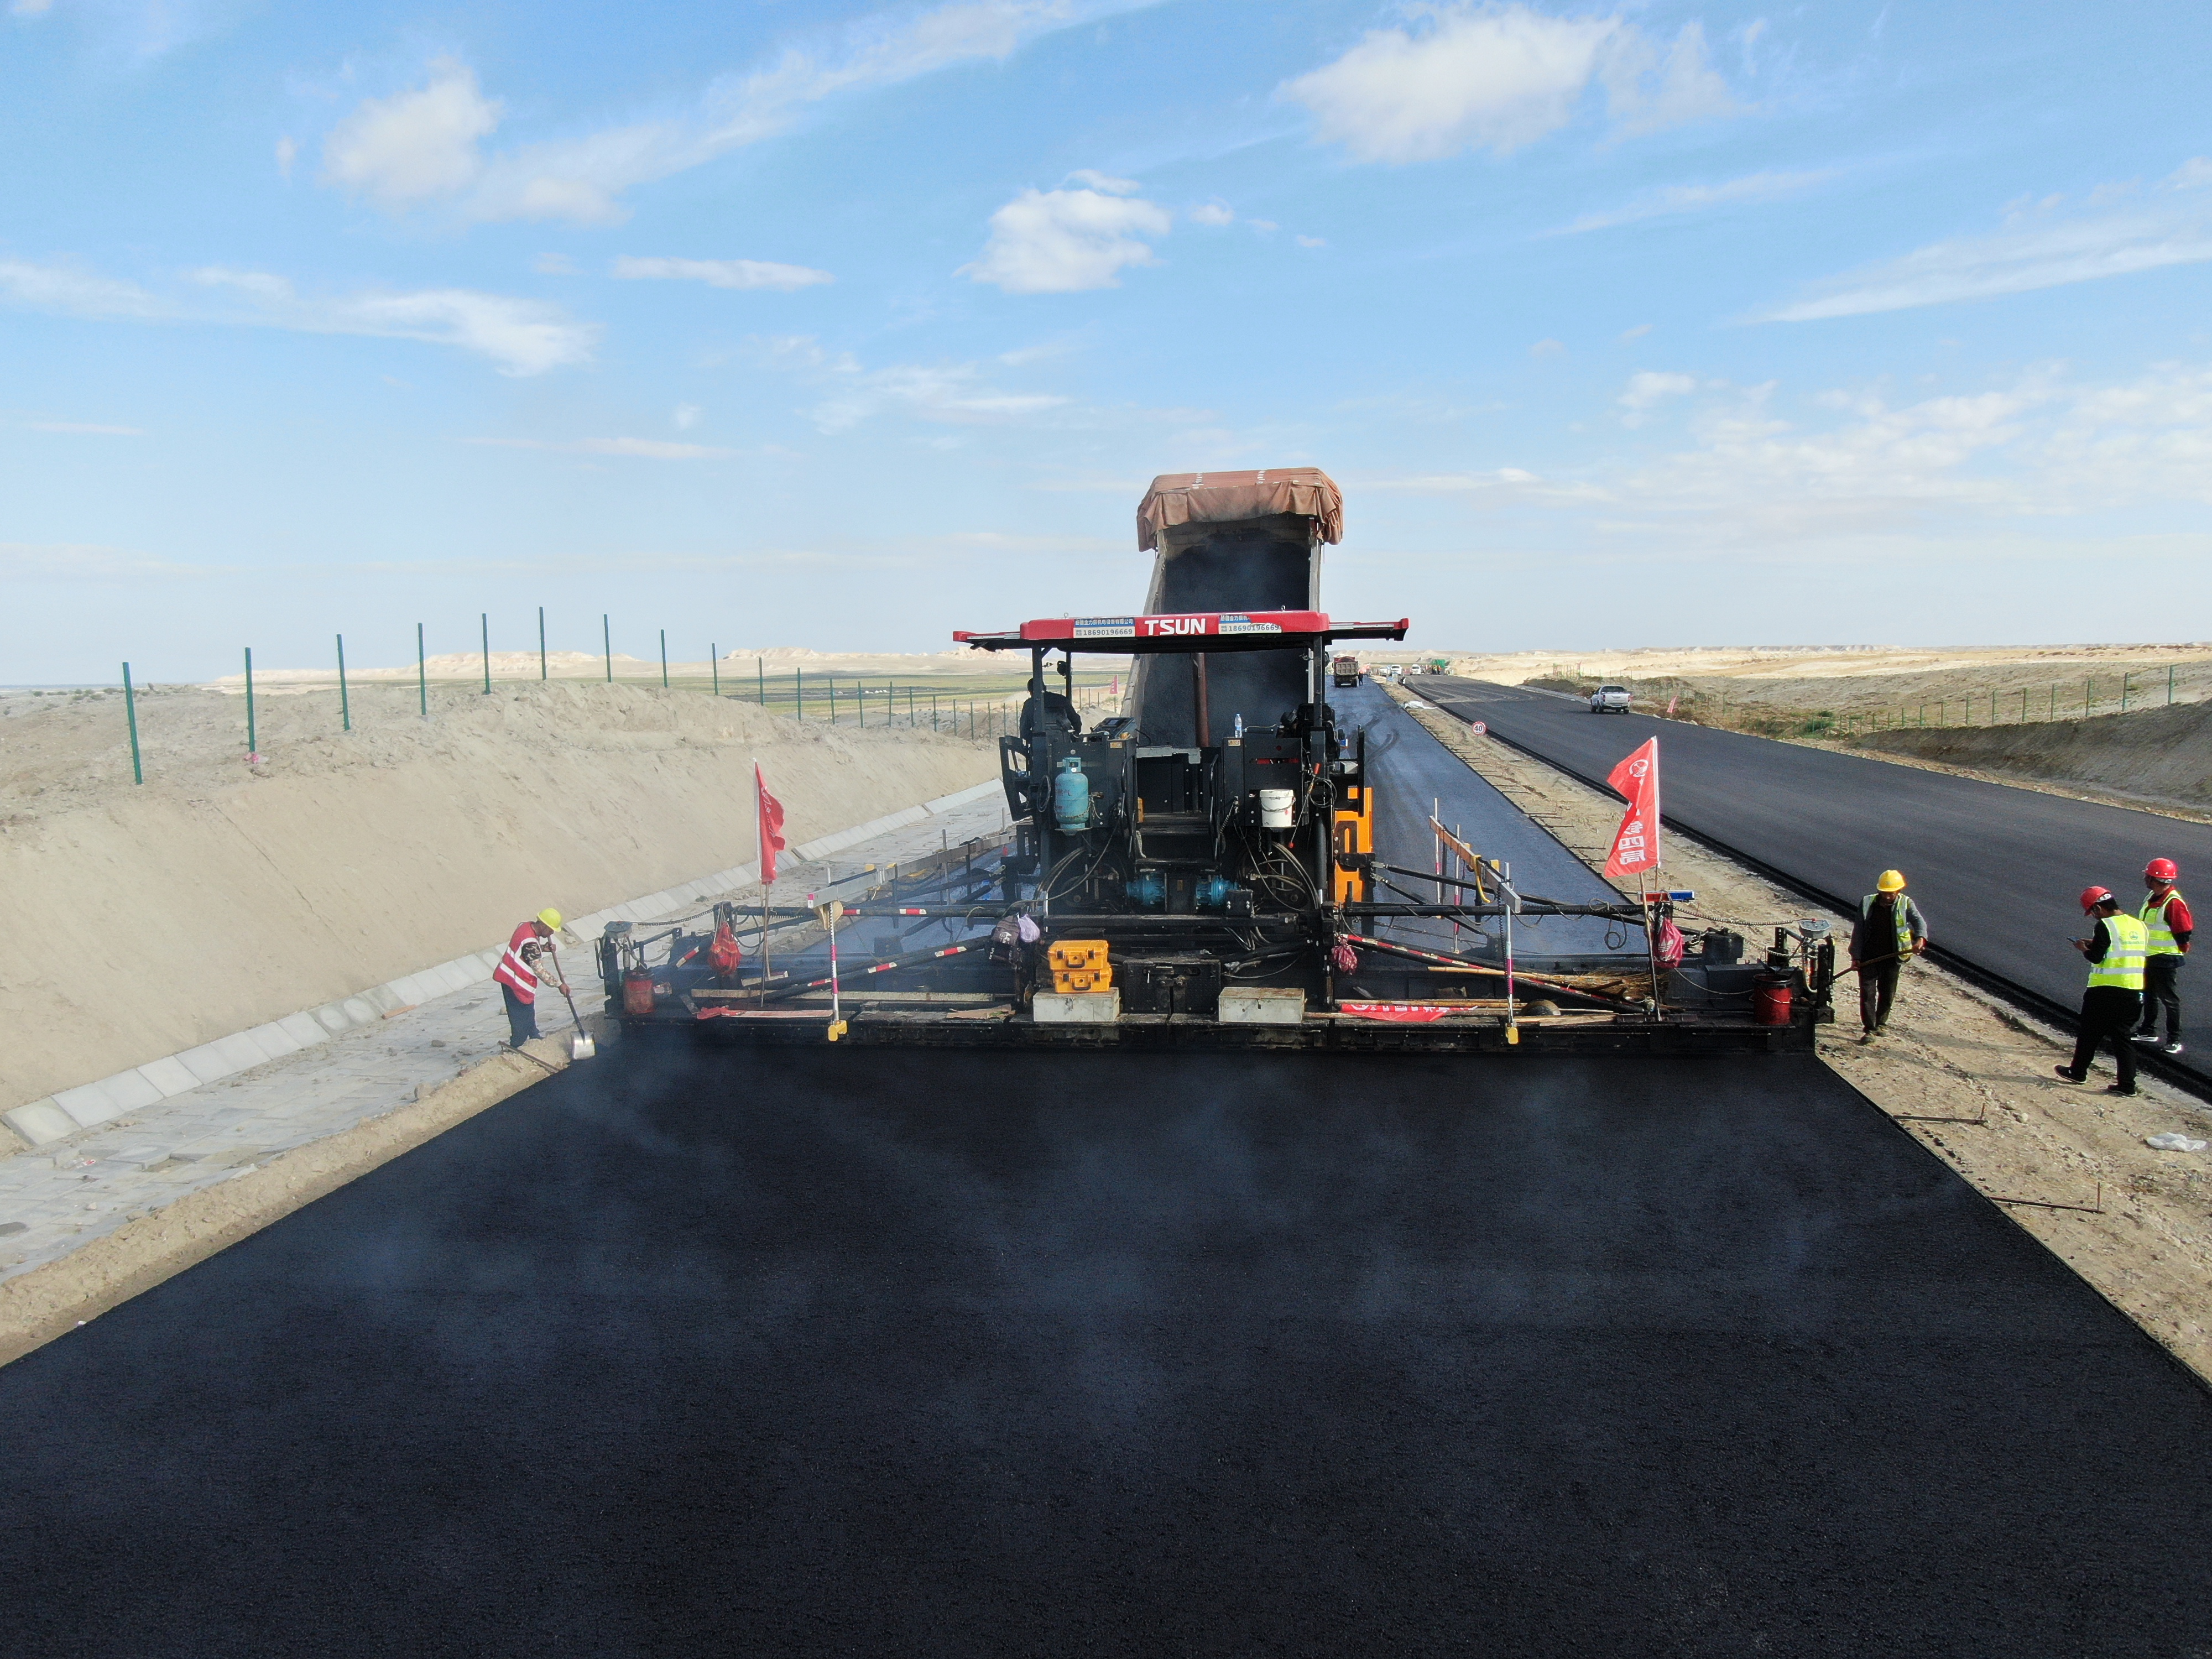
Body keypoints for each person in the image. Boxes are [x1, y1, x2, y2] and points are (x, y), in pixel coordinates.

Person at [2056, 887, 2146, 1095]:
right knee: (2122, 1038)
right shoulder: (2139, 925)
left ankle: (2078, 1072)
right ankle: (2127, 1085)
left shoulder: (2105, 925)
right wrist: (2096, 944)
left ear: (2098, 908)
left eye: (2093, 912)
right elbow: (2123, 948)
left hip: (2104, 991)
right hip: (2133, 990)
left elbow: (2096, 958)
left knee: (2090, 1033)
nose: (2094, 917)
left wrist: (2084, 948)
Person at [1849, 869, 1928, 1041]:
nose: (1887, 897)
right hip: (1869, 957)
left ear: (1898, 891)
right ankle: (1870, 1028)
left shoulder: (1906, 903)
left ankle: (1881, 1023)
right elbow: (1859, 931)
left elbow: (1919, 921)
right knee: (1868, 993)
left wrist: (1920, 939)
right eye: (1884, 893)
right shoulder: (1867, 902)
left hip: (1893, 957)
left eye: (1891, 893)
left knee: (1887, 993)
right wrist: (1856, 956)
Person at [2132, 857, 2189, 1057]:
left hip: (2165, 958)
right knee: (2149, 994)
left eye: (2147, 876)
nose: (2145, 878)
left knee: (2169, 1000)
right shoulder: (2153, 896)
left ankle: (2174, 1040)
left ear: (2154, 879)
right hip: (2149, 955)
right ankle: (2148, 1031)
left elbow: (2184, 931)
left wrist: (2180, 948)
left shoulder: (2173, 903)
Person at [493, 907, 568, 1048]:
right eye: (551, 930)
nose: (552, 933)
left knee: (529, 1010)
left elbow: (526, 949)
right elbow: (539, 970)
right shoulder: (531, 944)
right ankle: (516, 1045)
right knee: (519, 1017)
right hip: (514, 981)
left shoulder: (525, 926)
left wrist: (542, 948)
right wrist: (559, 984)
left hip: (514, 978)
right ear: (544, 926)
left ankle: (534, 1035)